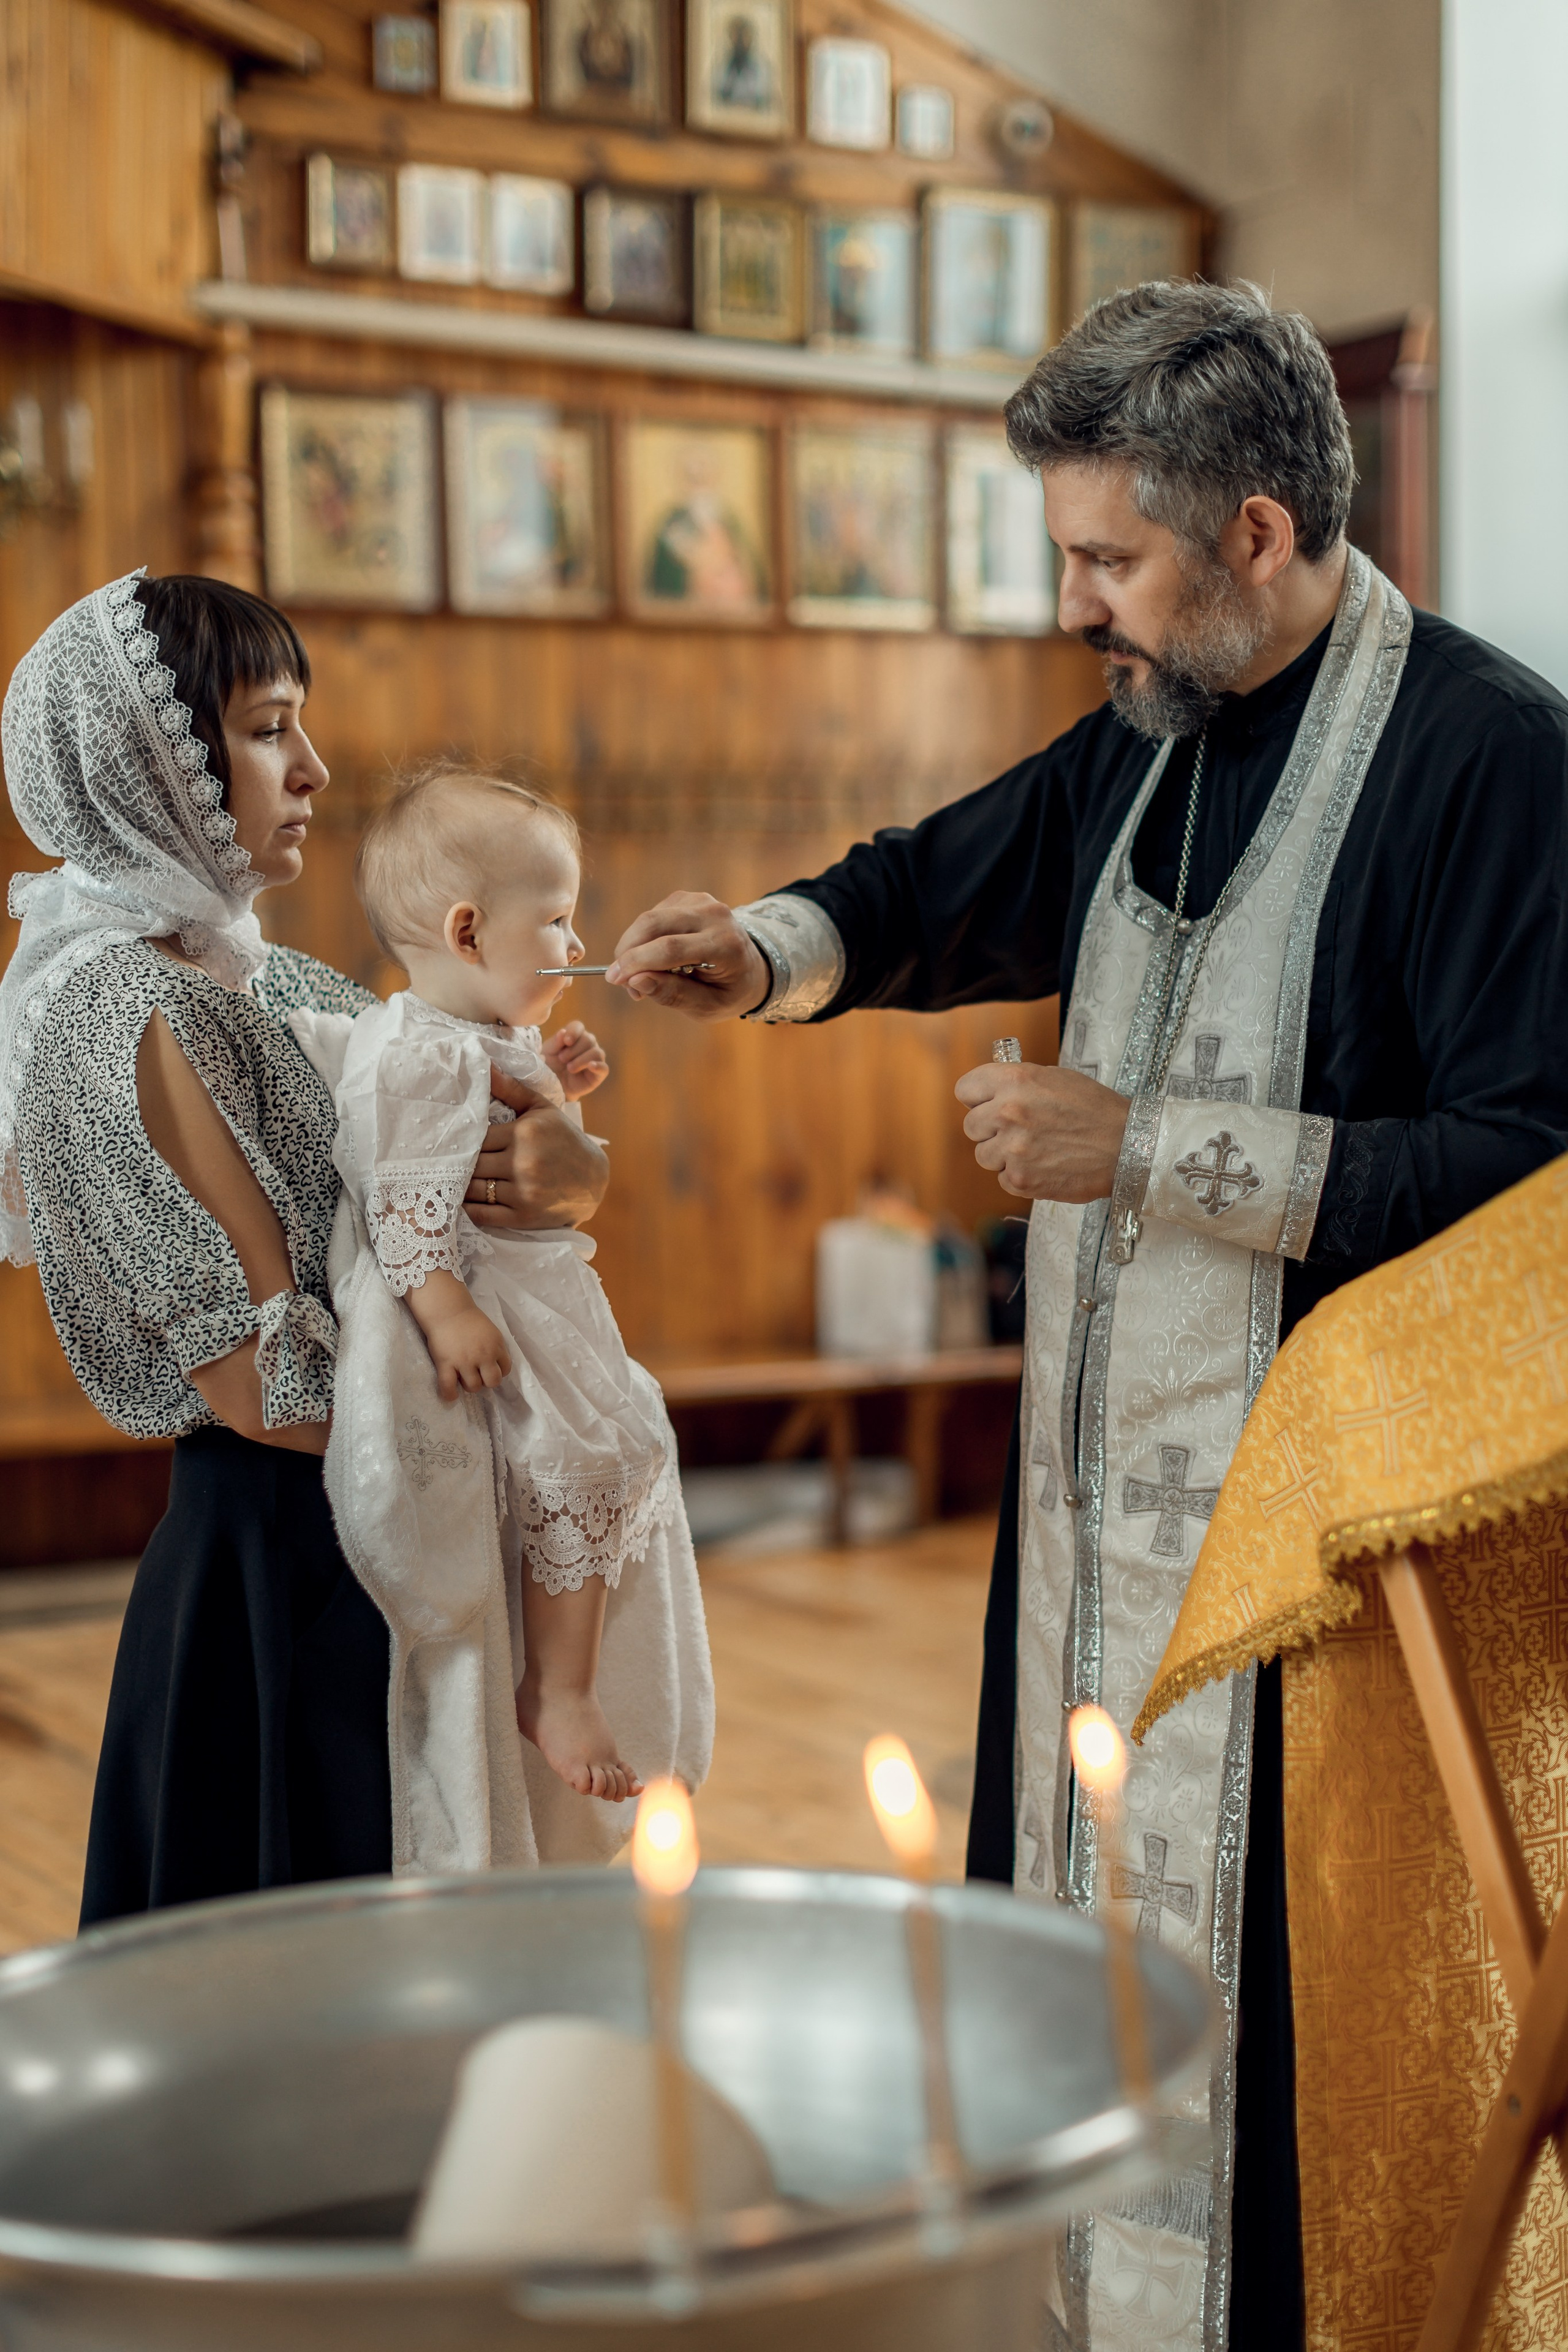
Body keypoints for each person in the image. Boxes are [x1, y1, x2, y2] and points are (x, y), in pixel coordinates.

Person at [601, 279, 1568, 2349]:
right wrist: (763, 953)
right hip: (1087, 1545)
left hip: (1327, 1574)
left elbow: (1534, 1166)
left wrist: (1148, 1147)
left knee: (1289, 2076)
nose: (1073, 608)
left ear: (1256, 537)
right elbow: (949, 876)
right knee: (1069, 1974)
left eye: (1106, 559)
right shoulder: (1159, 728)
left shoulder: (1497, 762)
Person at [0, 570, 608, 1926]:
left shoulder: (273, 979)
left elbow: (468, 1176)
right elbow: (258, 1391)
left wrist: (564, 1161)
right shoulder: (117, 1021)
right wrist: (541, 1442)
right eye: (271, 727)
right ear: (147, 762)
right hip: (288, 1571)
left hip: (404, 1501)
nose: (315, 767)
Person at [287, 766, 710, 1864]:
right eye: (560, 919)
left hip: (539, 1294)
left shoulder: (468, 1036)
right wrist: (443, 1304)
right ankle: (556, 1691)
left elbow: (511, 1130)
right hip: (491, 1300)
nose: (580, 940)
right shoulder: (419, 1052)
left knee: (619, 1446)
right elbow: (402, 1190)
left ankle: (567, 1680)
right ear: (469, 930)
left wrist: (557, 1083)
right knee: (580, 1458)